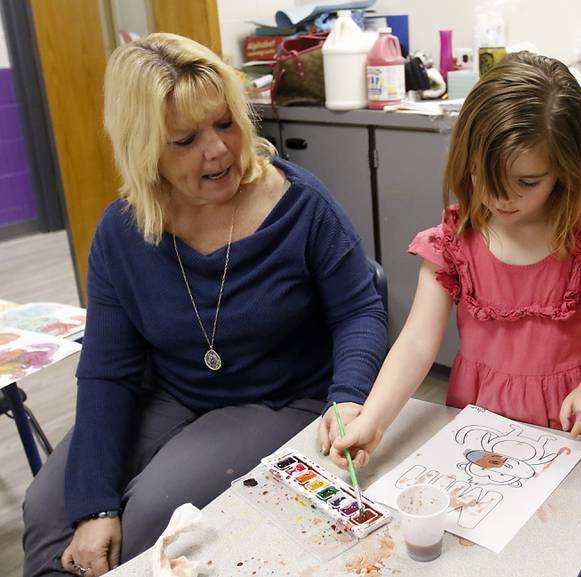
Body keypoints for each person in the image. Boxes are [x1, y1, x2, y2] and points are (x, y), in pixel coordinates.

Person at [22, 33, 386, 577]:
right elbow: (107, 372)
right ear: (143, 147)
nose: (217, 150)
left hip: (281, 399)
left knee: (151, 517)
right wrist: (94, 504)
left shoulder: (302, 206)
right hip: (171, 393)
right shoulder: (123, 232)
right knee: (50, 508)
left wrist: (347, 398)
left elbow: (360, 309)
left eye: (224, 123)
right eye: (184, 139)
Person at [329, 52, 581, 577]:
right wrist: (373, 418)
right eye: (484, 176)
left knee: (570, 553)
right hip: (479, 425)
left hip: (571, 431)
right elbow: (418, 342)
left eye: (527, 182)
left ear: (568, 166)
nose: (500, 197)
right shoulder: (455, 239)